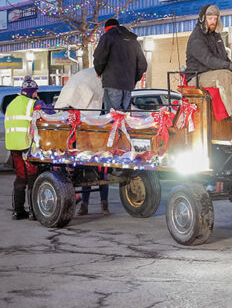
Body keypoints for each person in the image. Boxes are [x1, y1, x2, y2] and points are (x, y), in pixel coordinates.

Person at [57, 68, 110, 216]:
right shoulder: (93, 87)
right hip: (89, 145)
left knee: (96, 172)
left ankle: (91, 204)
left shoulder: (76, 111)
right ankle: (97, 204)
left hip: (90, 145)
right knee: (97, 173)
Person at [5, 77, 54, 220]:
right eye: (36, 92)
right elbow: (49, 113)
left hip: (13, 145)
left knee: (20, 176)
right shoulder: (34, 104)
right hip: (27, 146)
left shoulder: (11, 104)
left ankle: (18, 211)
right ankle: (34, 212)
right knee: (32, 177)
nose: (36, 94)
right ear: (33, 91)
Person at [93, 18, 147, 111]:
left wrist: (99, 71)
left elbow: (99, 58)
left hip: (112, 82)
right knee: (125, 117)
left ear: (106, 29)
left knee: (112, 116)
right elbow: (142, 65)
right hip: (128, 85)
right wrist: (134, 80)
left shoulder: (107, 37)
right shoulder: (133, 40)